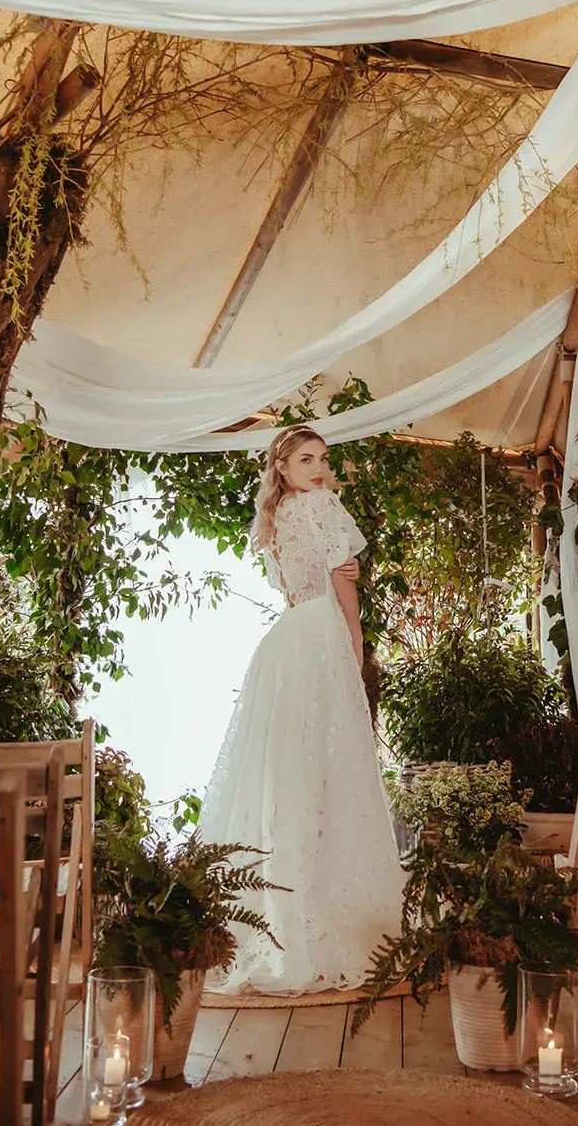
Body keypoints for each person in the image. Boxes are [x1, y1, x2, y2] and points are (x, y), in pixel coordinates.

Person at [197, 425, 404, 993]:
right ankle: (325, 926)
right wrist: (357, 651)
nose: (319, 469)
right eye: (306, 459)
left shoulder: (276, 517)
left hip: (284, 642)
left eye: (323, 459)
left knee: (286, 770)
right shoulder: (322, 506)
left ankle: (282, 922)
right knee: (329, 767)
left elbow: (291, 591)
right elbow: (344, 587)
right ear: (282, 467)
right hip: (320, 638)